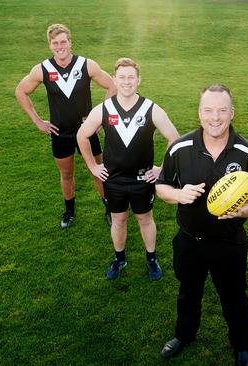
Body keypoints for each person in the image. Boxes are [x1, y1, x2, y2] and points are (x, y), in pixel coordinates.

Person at [156, 85, 248, 366]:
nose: (214, 117)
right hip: (190, 240)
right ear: (199, 113)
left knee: (234, 297)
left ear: (232, 113)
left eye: (221, 110)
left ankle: (241, 345)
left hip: (230, 242)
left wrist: (244, 210)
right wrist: (180, 194)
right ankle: (184, 335)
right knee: (188, 293)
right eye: (208, 110)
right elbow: (161, 187)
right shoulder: (180, 148)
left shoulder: (247, 153)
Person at [77, 58, 179, 280]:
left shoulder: (150, 108)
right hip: (113, 179)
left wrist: (162, 169)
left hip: (143, 179)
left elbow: (174, 138)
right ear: (114, 80)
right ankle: (119, 259)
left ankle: (151, 259)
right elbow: (82, 135)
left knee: (145, 219)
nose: (126, 82)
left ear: (138, 80)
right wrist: (93, 166)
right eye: (121, 77)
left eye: (131, 77)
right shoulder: (104, 109)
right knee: (119, 219)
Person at [15, 23, 116, 229]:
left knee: (98, 171)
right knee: (66, 174)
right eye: (55, 43)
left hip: (86, 132)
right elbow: (20, 91)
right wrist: (37, 120)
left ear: (70, 43)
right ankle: (69, 211)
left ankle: (109, 208)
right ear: (50, 45)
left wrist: (101, 118)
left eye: (63, 42)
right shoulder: (43, 69)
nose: (60, 46)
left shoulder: (86, 65)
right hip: (60, 133)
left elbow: (113, 85)